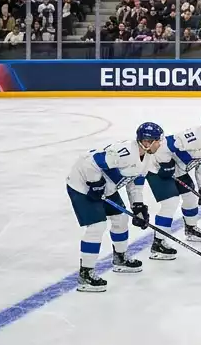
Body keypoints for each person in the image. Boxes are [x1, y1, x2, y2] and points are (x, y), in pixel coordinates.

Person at [66, 123, 161, 292]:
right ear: (148, 142)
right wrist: (95, 183)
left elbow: (135, 182)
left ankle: (120, 259)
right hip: (82, 185)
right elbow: (91, 162)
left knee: (121, 218)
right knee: (97, 226)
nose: (160, 144)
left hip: (106, 187)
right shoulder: (126, 152)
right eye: (158, 140)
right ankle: (85, 274)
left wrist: (137, 205)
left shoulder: (147, 157)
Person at [146, 111, 201, 260]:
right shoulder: (193, 136)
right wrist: (165, 164)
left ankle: (191, 228)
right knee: (170, 203)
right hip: (157, 169)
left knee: (191, 197)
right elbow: (166, 144)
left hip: (179, 170)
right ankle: (158, 243)